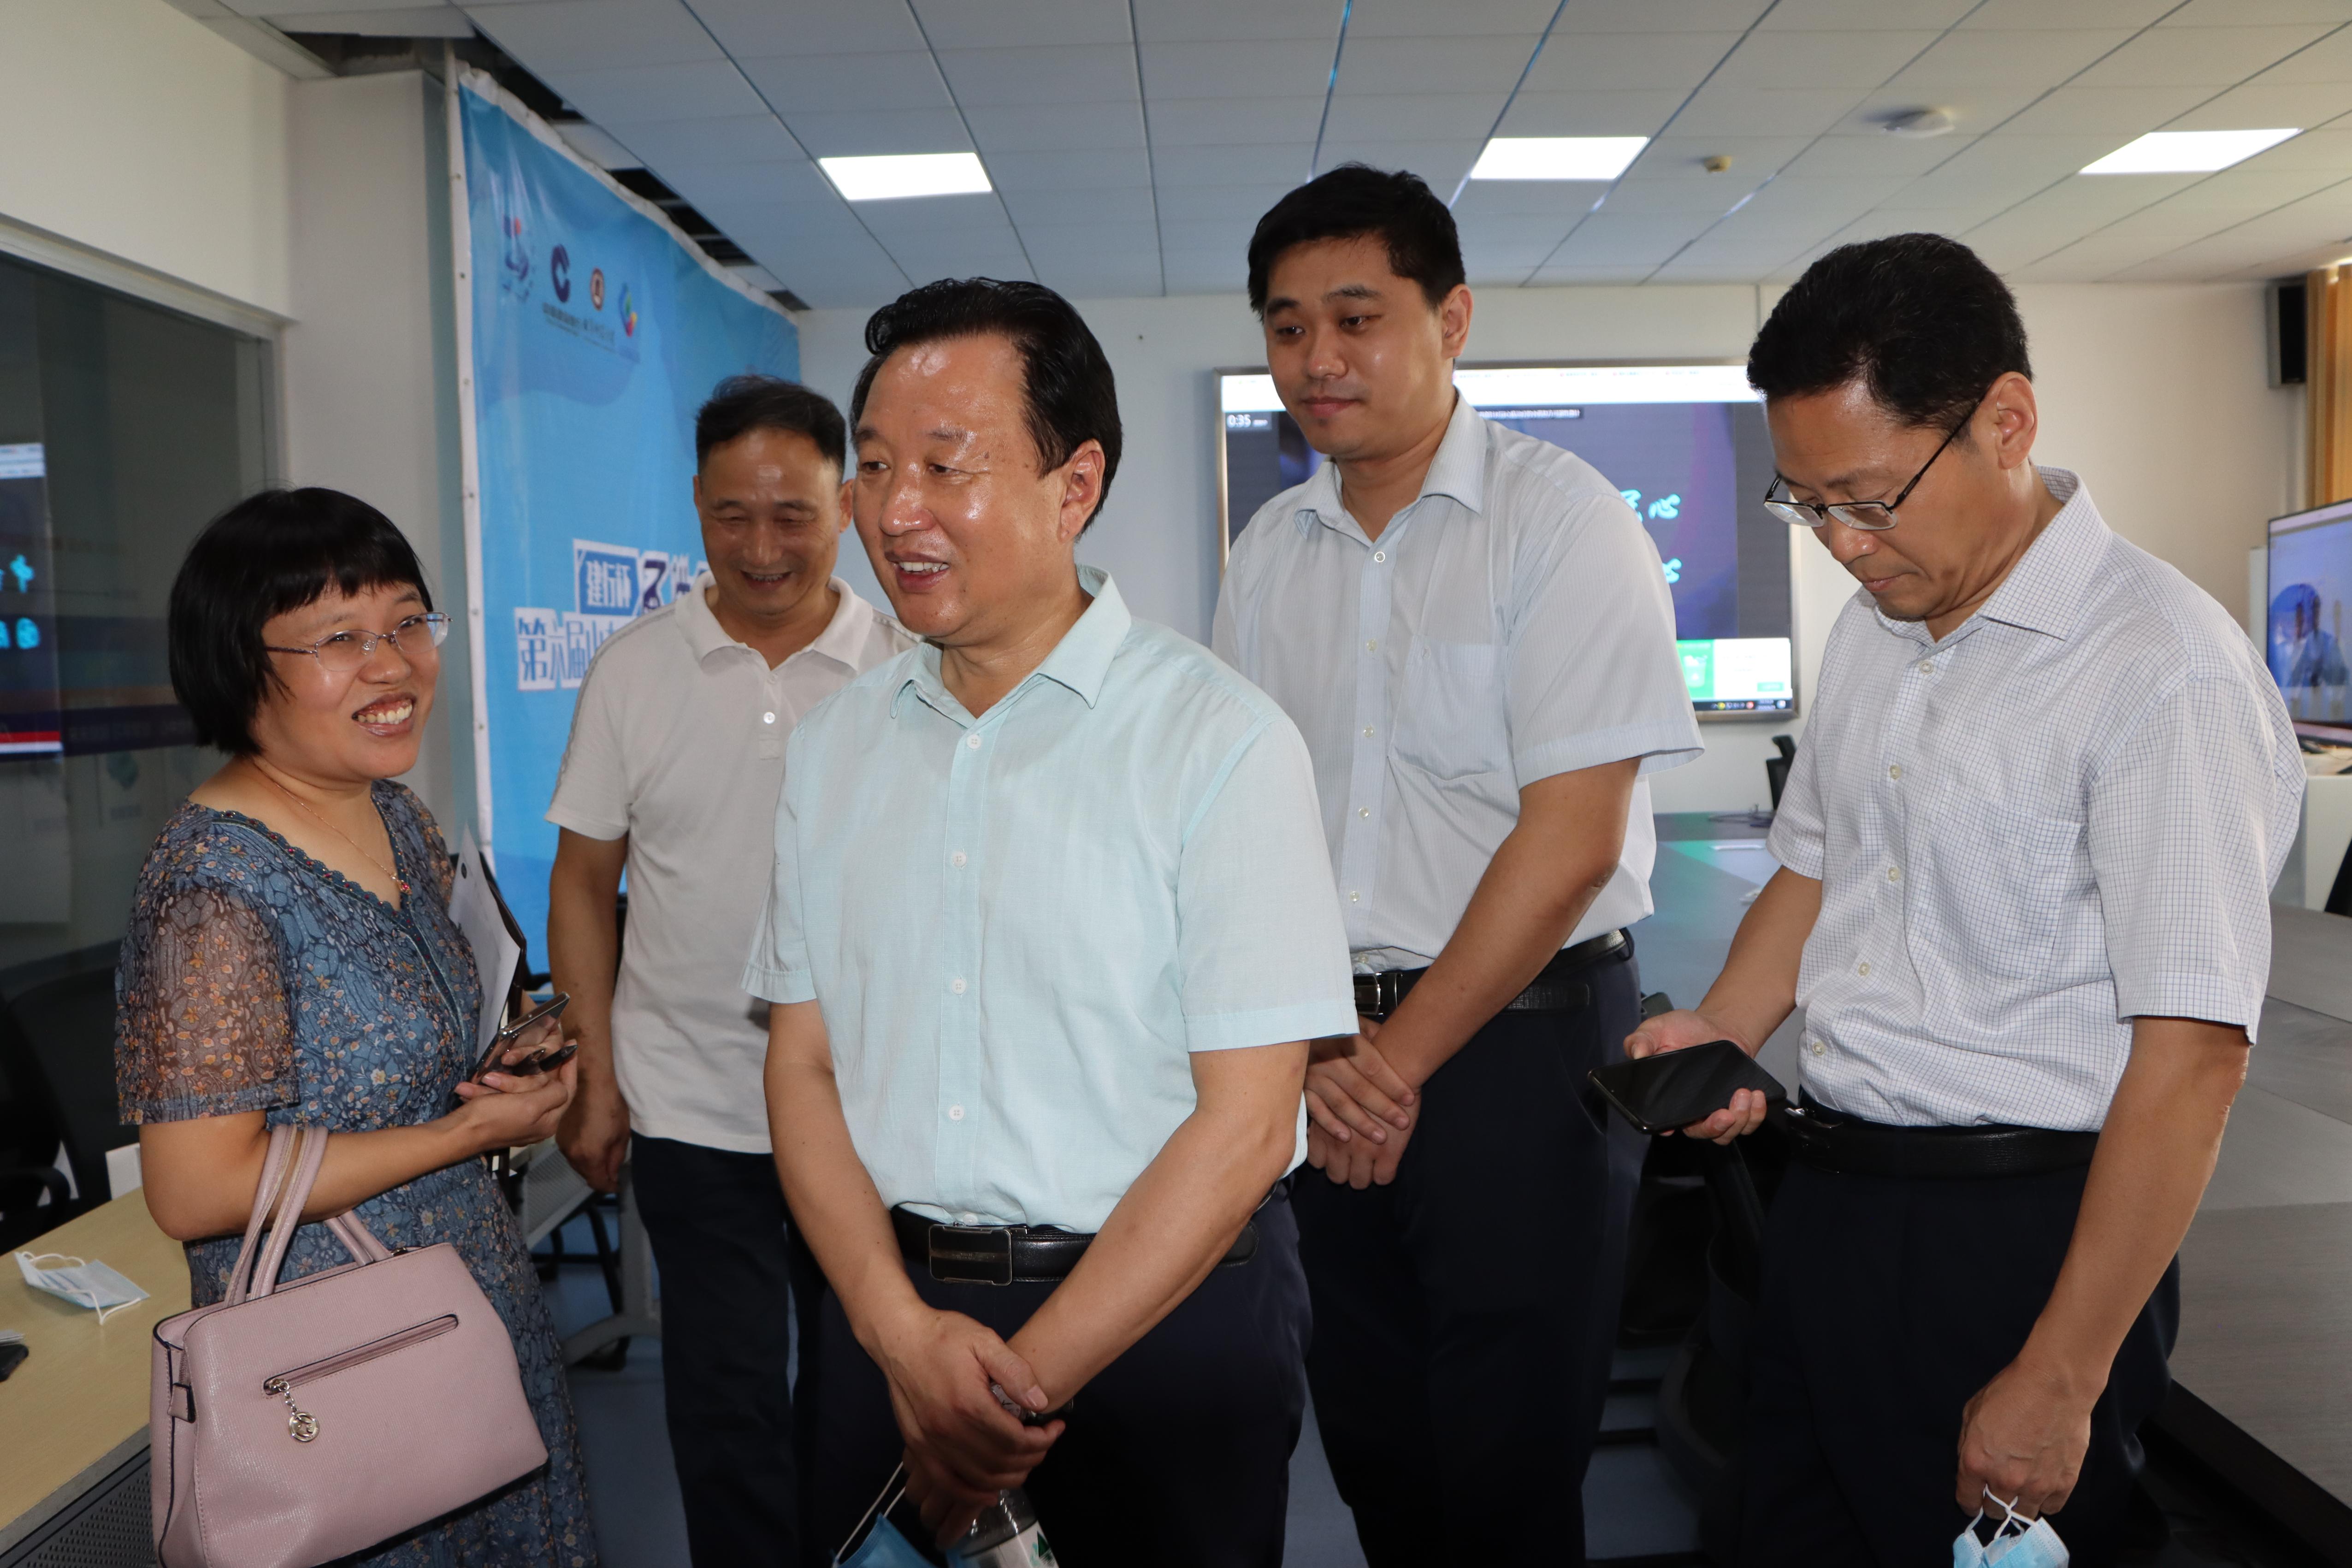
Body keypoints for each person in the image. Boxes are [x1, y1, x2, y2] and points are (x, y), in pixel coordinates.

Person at [1628, 233, 2303, 1566]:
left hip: (2021, 1238)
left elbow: (2192, 1059)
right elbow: (1816, 866)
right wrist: (1724, 1026)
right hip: (1830, 1204)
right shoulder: (1876, 629)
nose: (1839, 545)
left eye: (1868, 499)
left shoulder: (2160, 669)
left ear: (2005, 422)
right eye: (1803, 504)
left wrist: (2060, 1373)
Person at [749, 278, 1356, 1567]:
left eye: (945, 465)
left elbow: (1247, 1125)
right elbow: (801, 1065)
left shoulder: (1219, 743)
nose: (892, 511)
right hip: (886, 1323)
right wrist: (900, 1338)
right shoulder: (832, 749)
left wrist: (1008, 1398)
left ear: (1073, 486)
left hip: (1160, 1327)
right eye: (874, 467)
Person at [1212, 164, 1702, 1564]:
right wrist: (1325, 1051)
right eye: (1287, 326)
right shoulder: (1270, 551)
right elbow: (1241, 826)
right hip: (1325, 1057)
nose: (1317, 357)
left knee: (1507, 1471)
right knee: (1376, 1450)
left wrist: (1390, 1063)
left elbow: (1571, 840)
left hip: (1517, 1055)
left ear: (1453, 320)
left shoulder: (1563, 522)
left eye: (1355, 318)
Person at [117, 487, 597, 1568]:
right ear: (240, 664)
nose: (393, 666)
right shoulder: (212, 890)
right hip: (328, 1370)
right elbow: (195, 1190)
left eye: (407, 623)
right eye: (340, 639)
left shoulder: (394, 814)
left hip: (467, 1310)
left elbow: (416, 1034)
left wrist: (512, 1059)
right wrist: (462, 1136)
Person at [545, 375, 912, 1566]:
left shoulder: (909, 666)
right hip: (692, 1104)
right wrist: (598, 1076)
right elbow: (582, 883)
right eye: (731, 516)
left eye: (793, 515)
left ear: (846, 505)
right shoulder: (634, 670)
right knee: (724, 1404)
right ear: (696, 505)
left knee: (866, 1396)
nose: (761, 549)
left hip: (869, 1111)